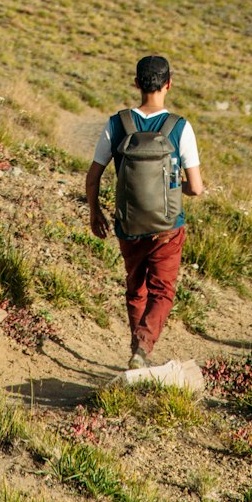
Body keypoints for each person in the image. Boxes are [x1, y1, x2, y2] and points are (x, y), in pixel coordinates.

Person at [86, 54, 203, 368]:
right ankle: (143, 347)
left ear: (137, 83)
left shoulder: (118, 123)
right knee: (161, 290)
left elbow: (93, 174)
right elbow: (195, 187)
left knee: (135, 286)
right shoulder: (179, 127)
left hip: (128, 224)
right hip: (168, 225)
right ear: (169, 84)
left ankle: (137, 348)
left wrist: (95, 212)